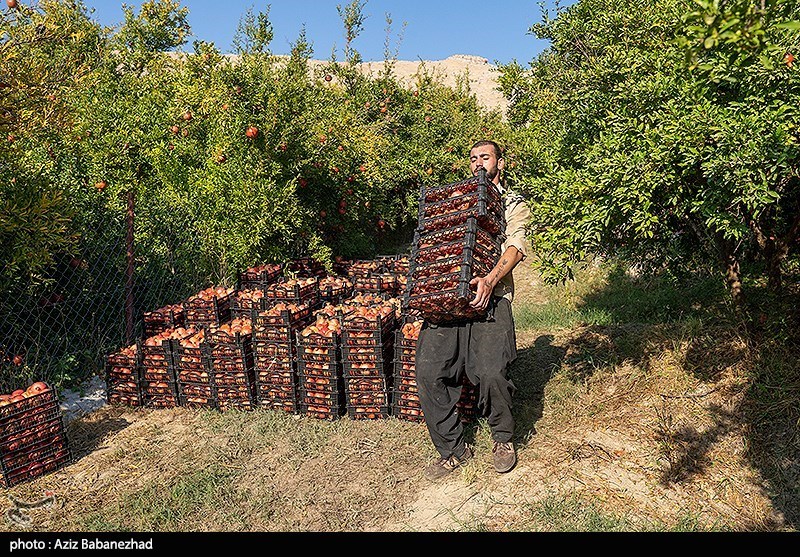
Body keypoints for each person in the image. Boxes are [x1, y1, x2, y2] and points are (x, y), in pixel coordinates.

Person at [415, 139, 530, 480]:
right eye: (474, 158)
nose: (479, 162)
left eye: (486, 157)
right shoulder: (457, 200)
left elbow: (516, 246)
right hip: (448, 301)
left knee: (491, 371)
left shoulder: (512, 202)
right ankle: (453, 449)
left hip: (490, 299)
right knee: (428, 372)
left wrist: (491, 280)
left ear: (501, 163)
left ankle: (503, 438)